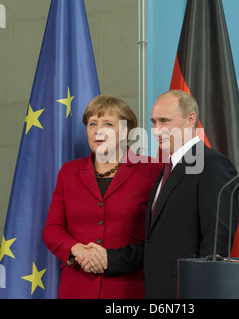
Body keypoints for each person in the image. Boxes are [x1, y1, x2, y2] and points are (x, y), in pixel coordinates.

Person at [42, 94, 161, 299]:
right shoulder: (69, 172)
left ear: (124, 132)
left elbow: (160, 235)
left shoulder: (152, 170)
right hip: (76, 287)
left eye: (108, 124)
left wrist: (111, 259)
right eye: (92, 124)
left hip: (129, 289)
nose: (98, 131)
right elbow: (52, 229)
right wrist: (77, 249)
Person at [143, 90, 239, 298]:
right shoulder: (167, 170)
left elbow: (216, 242)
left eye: (164, 121)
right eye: (153, 122)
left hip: (188, 290)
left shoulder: (212, 164)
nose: (157, 130)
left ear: (190, 119)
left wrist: (200, 290)